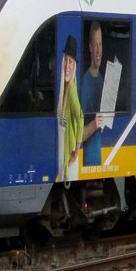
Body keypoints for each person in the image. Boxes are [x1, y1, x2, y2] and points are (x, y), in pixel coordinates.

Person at [79, 22, 105, 168]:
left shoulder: (101, 79)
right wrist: (94, 125)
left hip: (99, 159)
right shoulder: (84, 82)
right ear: (90, 48)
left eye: (100, 45)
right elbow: (78, 135)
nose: (98, 51)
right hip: (87, 162)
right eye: (95, 45)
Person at [58, 35, 82, 183]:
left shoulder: (71, 89)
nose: (67, 65)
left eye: (71, 62)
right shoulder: (64, 90)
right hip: (65, 158)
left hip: (70, 160)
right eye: (66, 60)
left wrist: (77, 151)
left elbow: (80, 118)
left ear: (74, 66)